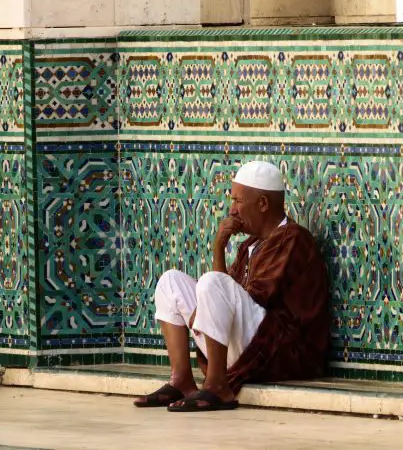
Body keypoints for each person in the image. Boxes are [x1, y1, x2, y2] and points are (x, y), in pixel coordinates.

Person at [133, 160, 330, 412]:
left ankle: (217, 386)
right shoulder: (250, 245)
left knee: (212, 281)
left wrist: (204, 314)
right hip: (248, 345)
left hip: (281, 353)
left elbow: (253, 297)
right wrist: (219, 248)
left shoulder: (293, 238)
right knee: (170, 281)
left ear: (262, 204)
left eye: (238, 201)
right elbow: (227, 295)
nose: (232, 210)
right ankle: (181, 380)